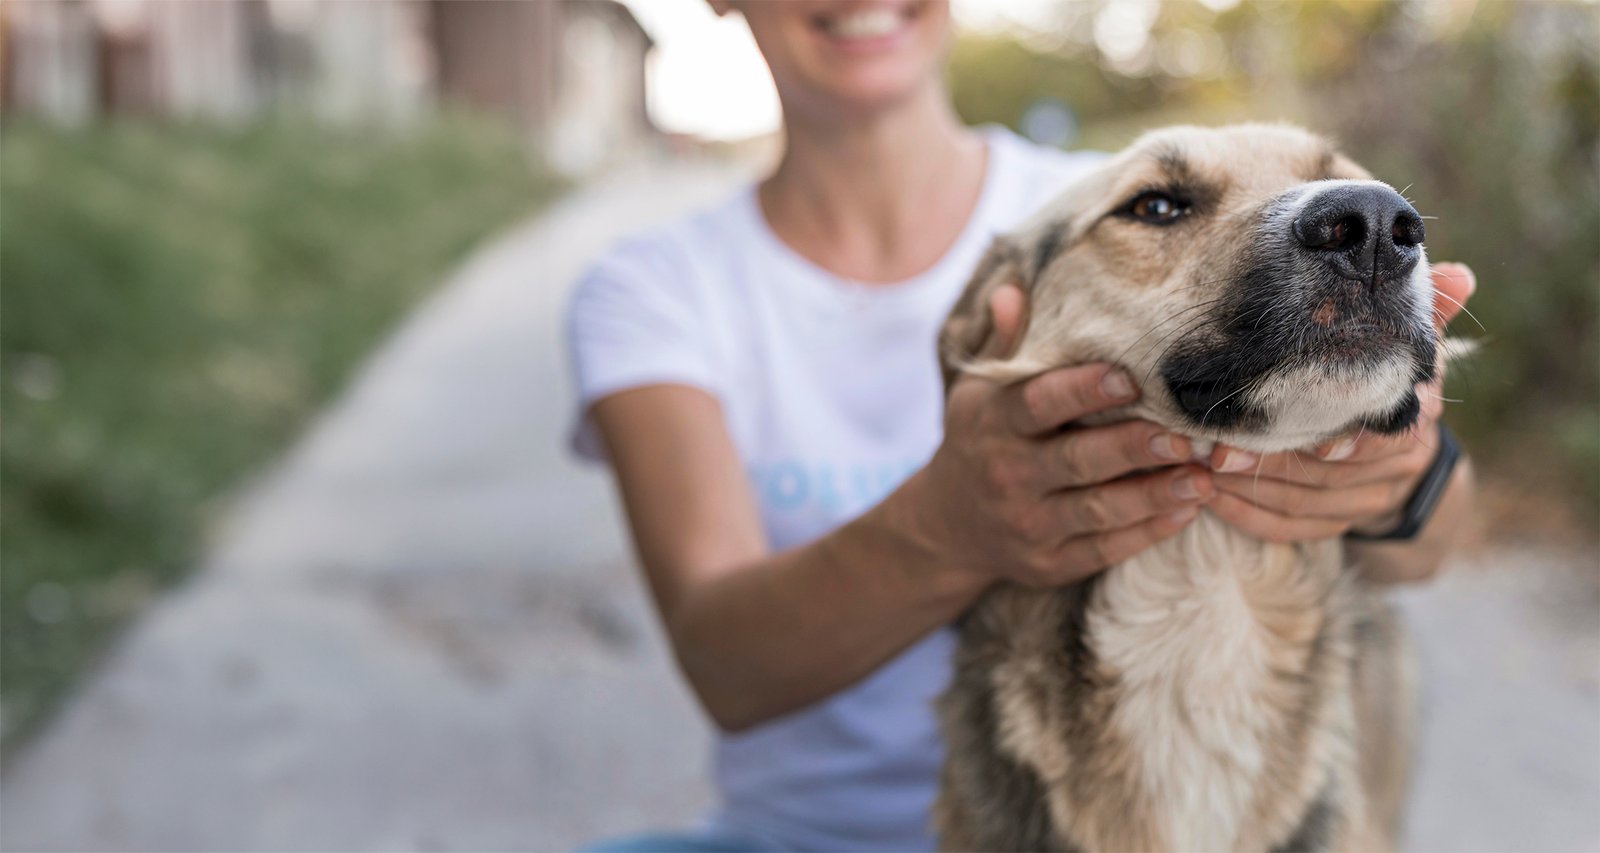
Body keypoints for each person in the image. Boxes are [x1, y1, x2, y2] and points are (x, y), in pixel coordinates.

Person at [566, 2, 1477, 850]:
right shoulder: (655, 288)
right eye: (1163, 208)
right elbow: (725, 667)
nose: (1356, 228)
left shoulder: (1074, 188)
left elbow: (1428, 545)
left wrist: (1403, 478)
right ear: (977, 339)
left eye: (1357, 204)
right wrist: (947, 523)